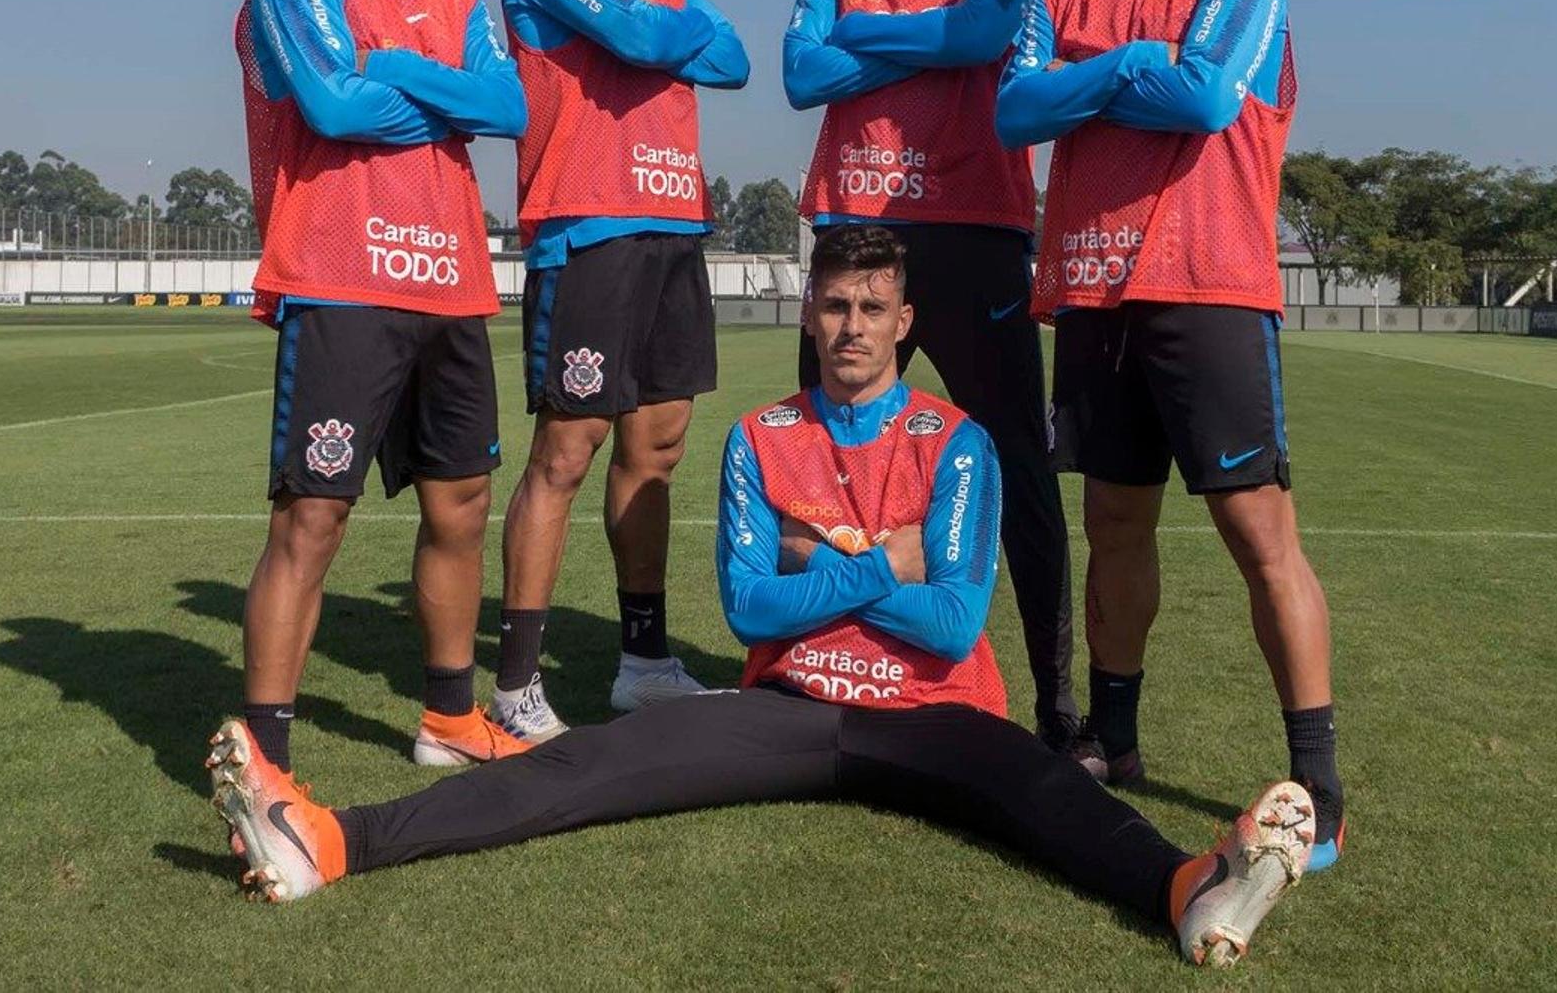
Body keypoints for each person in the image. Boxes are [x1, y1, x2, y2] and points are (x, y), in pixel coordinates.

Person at [206, 225, 1314, 968]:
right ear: (810, 311)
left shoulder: (957, 444)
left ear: (904, 320)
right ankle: (333, 841)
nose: (849, 328)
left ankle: (1189, 890)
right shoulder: (759, 436)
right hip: (783, 709)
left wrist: (820, 562)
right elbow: (749, 609)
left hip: (935, 717)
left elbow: (953, 625)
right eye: (832, 305)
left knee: (1049, 800)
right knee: (583, 766)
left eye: (871, 307)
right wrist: (889, 557)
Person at [994, 0, 1344, 869]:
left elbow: (1205, 95)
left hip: (1210, 287)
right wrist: (1133, 63)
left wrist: (1100, 75)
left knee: (1258, 534)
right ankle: (1118, 736)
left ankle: (1320, 780)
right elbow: (1013, 109)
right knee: (1117, 526)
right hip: (1096, 293)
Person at [783, 0, 1079, 752]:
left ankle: (1060, 707)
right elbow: (797, 70)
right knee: (826, 468)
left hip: (975, 224)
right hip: (856, 229)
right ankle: (823, 680)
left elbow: (986, 30)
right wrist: (921, 29)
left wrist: (865, 30)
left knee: (1017, 469)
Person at [232, 0, 531, 772]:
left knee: (461, 509)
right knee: (312, 516)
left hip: (450, 283)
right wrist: (447, 104)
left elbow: (510, 103)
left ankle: (448, 719)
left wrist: (396, 70)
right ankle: (265, 753)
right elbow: (326, 100)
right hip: (341, 277)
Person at [490, 0, 749, 740]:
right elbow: (650, 32)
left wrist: (657, 35)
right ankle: (516, 682)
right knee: (568, 447)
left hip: (675, 215)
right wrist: (658, 32)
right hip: (586, 215)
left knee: (658, 447)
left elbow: (734, 57)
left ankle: (643, 659)